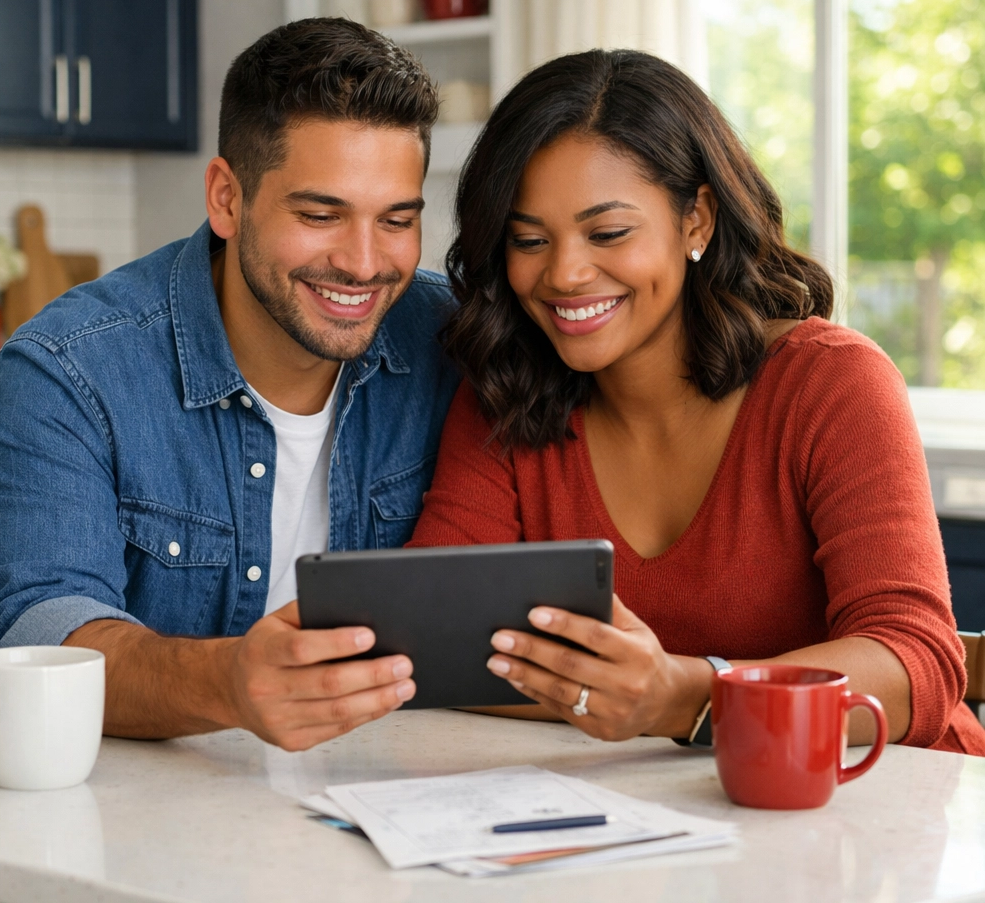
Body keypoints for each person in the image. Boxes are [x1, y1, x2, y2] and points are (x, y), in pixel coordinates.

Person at [410, 48, 985, 754]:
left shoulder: (832, 384)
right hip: (660, 823)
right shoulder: (507, 393)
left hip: (885, 818)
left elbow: (913, 667)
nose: (564, 273)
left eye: (608, 232)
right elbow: (436, 648)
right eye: (529, 239)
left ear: (697, 222)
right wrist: (629, 699)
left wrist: (687, 697)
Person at [0, 18, 460, 751]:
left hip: (387, 796)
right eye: (321, 214)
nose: (364, 264)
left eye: (396, 220)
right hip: (144, 824)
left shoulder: (449, 340)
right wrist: (228, 683)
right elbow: (38, 630)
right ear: (227, 199)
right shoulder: (69, 367)